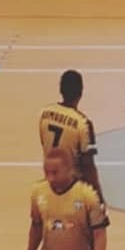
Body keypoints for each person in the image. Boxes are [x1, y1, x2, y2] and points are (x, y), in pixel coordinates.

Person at [38, 70, 103, 200]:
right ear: (81, 93)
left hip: (50, 187)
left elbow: (44, 143)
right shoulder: (83, 124)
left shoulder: (44, 114)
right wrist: (98, 196)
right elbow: (88, 167)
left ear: (61, 90)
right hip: (72, 192)